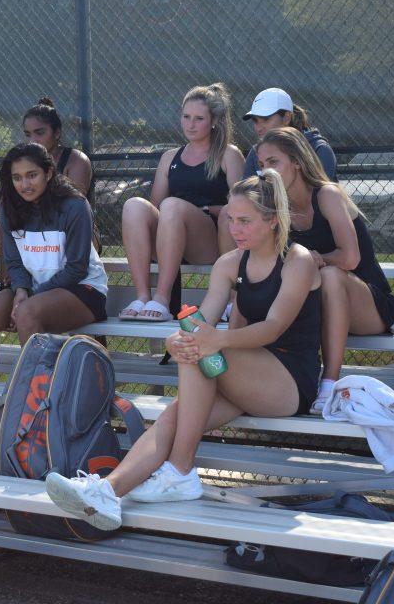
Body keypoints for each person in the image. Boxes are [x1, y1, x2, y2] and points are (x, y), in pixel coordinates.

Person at [43, 170, 321, 529]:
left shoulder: (297, 260)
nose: (235, 229)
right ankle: (107, 492)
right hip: (241, 375)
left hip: (289, 382)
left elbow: (273, 328)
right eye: (231, 220)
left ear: (271, 221)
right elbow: (202, 319)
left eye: (245, 221)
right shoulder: (229, 263)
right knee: (175, 412)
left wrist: (210, 339)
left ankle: (181, 469)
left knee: (199, 348)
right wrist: (178, 337)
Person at [256, 128, 394, 412]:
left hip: (370, 304)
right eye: (261, 166)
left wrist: (313, 258)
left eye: (274, 163)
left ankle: (330, 382)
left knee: (331, 276)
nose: (265, 172)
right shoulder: (275, 208)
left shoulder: (327, 195)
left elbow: (351, 258)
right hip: (320, 307)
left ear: (296, 161)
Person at [0, 143, 108, 374]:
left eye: (32, 175)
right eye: (17, 178)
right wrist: (21, 289)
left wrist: (29, 296)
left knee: (28, 312)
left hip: (83, 290)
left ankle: (37, 401)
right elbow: (14, 262)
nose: (24, 185)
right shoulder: (9, 206)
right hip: (33, 290)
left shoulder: (74, 205)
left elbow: (76, 268)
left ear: (49, 172)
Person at [120, 83, 244, 321]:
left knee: (173, 205)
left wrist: (206, 209)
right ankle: (143, 296)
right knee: (134, 205)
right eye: (186, 117)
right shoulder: (169, 157)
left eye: (199, 118)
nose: (190, 124)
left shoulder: (228, 154)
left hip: (209, 241)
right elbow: (155, 207)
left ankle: (162, 299)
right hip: (169, 234)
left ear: (214, 121)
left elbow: (243, 205)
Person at [240, 87, 337, 182]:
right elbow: (246, 194)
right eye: (255, 121)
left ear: (286, 118)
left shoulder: (319, 149)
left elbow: (322, 194)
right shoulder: (255, 152)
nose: (259, 128)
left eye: (266, 119)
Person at [22, 97, 94, 196]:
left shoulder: (76, 160)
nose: (32, 140)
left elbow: (74, 205)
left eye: (39, 133)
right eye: (28, 134)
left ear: (57, 133)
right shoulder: (22, 162)